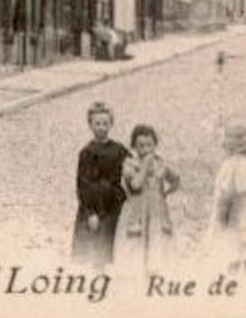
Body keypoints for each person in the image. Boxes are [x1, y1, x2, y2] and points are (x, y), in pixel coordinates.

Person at [115, 124, 180, 276]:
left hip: (157, 211)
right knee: (136, 245)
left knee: (156, 241)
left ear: (155, 145)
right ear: (134, 146)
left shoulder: (160, 163)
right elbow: (136, 185)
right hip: (137, 210)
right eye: (141, 145)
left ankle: (154, 274)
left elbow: (175, 180)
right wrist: (145, 165)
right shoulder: (130, 164)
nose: (145, 149)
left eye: (149, 145)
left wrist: (164, 194)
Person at [71, 101, 130, 267]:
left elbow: (132, 168)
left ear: (111, 124)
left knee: (111, 247)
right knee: (94, 252)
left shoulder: (118, 149)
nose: (101, 128)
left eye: (105, 123)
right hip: (94, 207)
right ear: (90, 125)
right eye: (97, 123)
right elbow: (82, 186)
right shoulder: (86, 153)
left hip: (112, 206)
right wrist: (90, 213)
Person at [212, 123, 246, 274]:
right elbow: (245, 187)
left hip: (234, 204)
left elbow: (224, 188)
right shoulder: (243, 164)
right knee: (244, 232)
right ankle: (243, 263)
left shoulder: (229, 164)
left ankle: (238, 265)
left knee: (236, 235)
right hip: (241, 204)